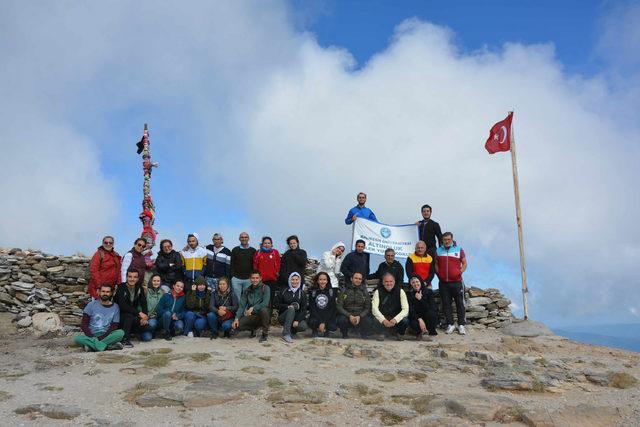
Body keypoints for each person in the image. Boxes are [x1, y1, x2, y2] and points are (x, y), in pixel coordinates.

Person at [74, 284, 124, 352]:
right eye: (103, 291)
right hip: (92, 334)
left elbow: (114, 326)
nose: (105, 293)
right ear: (99, 292)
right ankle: (107, 346)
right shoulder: (91, 305)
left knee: (120, 333)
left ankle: (92, 346)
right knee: (77, 339)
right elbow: (84, 324)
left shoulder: (115, 307)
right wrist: (92, 336)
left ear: (111, 293)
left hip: (107, 334)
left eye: (107, 292)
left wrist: (102, 337)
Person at [435, 232, 468, 335]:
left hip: (457, 282)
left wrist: (459, 272)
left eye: (448, 239)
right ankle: (450, 324)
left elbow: (465, 263)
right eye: (445, 240)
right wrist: (439, 274)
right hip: (444, 282)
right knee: (446, 304)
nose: (447, 241)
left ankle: (461, 325)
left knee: (460, 303)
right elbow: (436, 264)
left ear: (452, 239)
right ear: (442, 240)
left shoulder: (459, 249)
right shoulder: (438, 250)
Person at [113, 269, 149, 347]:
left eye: (135, 277)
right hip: (119, 315)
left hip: (132, 315)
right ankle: (125, 340)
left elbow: (144, 303)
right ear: (126, 277)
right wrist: (139, 313)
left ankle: (132, 332)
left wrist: (145, 316)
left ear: (138, 279)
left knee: (145, 325)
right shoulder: (121, 287)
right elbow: (122, 305)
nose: (132, 279)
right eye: (130, 277)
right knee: (128, 316)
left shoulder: (139, 288)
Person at [232, 271, 270, 342]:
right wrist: (236, 318)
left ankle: (265, 333)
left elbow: (265, 303)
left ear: (260, 278)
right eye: (253, 278)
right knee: (237, 326)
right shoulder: (247, 290)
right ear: (250, 279)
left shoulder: (265, 288)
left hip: (263, 314)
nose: (255, 280)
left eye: (257, 278)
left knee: (264, 310)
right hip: (252, 315)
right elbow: (242, 306)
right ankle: (254, 328)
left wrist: (253, 308)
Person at [371, 273, 409, 340]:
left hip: (395, 318)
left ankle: (398, 333)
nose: (389, 283)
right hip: (384, 317)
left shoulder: (401, 291)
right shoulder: (378, 291)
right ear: (383, 282)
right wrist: (383, 320)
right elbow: (374, 308)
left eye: (391, 281)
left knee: (405, 320)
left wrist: (395, 320)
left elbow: (405, 309)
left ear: (394, 282)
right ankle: (382, 333)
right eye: (386, 281)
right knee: (374, 319)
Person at [336, 272, 374, 339]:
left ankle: (364, 334)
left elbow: (367, 307)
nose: (358, 280)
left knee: (369, 320)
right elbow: (339, 306)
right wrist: (349, 315)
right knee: (341, 320)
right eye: (356, 278)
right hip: (347, 315)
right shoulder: (344, 290)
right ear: (351, 279)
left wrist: (360, 316)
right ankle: (344, 334)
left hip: (360, 316)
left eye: (360, 279)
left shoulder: (364, 291)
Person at [275, 272, 308, 343]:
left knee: (303, 326)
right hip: (283, 317)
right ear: (289, 280)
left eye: (296, 280)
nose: (294, 281)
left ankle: (292, 330)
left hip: (295, 319)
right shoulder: (283, 291)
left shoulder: (302, 293)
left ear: (299, 281)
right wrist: (287, 307)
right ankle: (286, 334)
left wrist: (297, 320)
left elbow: (304, 309)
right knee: (291, 309)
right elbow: (276, 304)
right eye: (292, 279)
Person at [407, 275, 438, 340]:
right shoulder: (409, 294)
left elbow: (432, 308)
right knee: (414, 324)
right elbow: (410, 310)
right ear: (411, 284)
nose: (415, 284)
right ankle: (422, 332)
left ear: (420, 282)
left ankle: (430, 331)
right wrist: (419, 319)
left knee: (431, 314)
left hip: (428, 318)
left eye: (417, 282)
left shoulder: (429, 292)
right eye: (413, 282)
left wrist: (420, 299)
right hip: (417, 318)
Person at [308, 272, 337, 337]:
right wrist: (320, 321)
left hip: (327, 317)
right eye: (320, 279)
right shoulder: (313, 292)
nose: (322, 281)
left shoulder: (331, 292)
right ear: (317, 281)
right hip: (316, 316)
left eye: (324, 279)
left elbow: (332, 308)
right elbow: (312, 308)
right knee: (312, 322)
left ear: (327, 281)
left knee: (332, 326)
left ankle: (326, 330)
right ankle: (315, 330)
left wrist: (323, 322)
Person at [253, 236, 281, 304]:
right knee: (260, 298)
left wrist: (276, 273)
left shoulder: (275, 252)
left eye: (268, 243)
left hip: (272, 280)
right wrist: (256, 277)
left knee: (270, 298)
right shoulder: (258, 252)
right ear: (262, 244)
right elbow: (255, 265)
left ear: (271, 244)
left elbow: (278, 264)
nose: (267, 245)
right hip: (261, 280)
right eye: (265, 243)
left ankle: (269, 313)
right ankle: (258, 314)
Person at [230, 232, 257, 302]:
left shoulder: (253, 250)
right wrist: (232, 276)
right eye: (242, 237)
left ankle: (245, 312)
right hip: (236, 279)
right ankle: (238, 312)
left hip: (248, 279)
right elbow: (231, 264)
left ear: (248, 239)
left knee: (247, 298)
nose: (244, 239)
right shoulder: (235, 250)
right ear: (239, 239)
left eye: (246, 237)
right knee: (236, 298)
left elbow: (255, 264)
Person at [141, 273, 165, 342]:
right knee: (147, 338)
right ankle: (145, 332)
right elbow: (140, 305)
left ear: (160, 282)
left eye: (158, 281)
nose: (156, 282)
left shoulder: (163, 292)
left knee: (155, 323)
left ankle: (155, 331)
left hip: (158, 317)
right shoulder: (146, 291)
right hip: (148, 317)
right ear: (151, 281)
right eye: (154, 281)